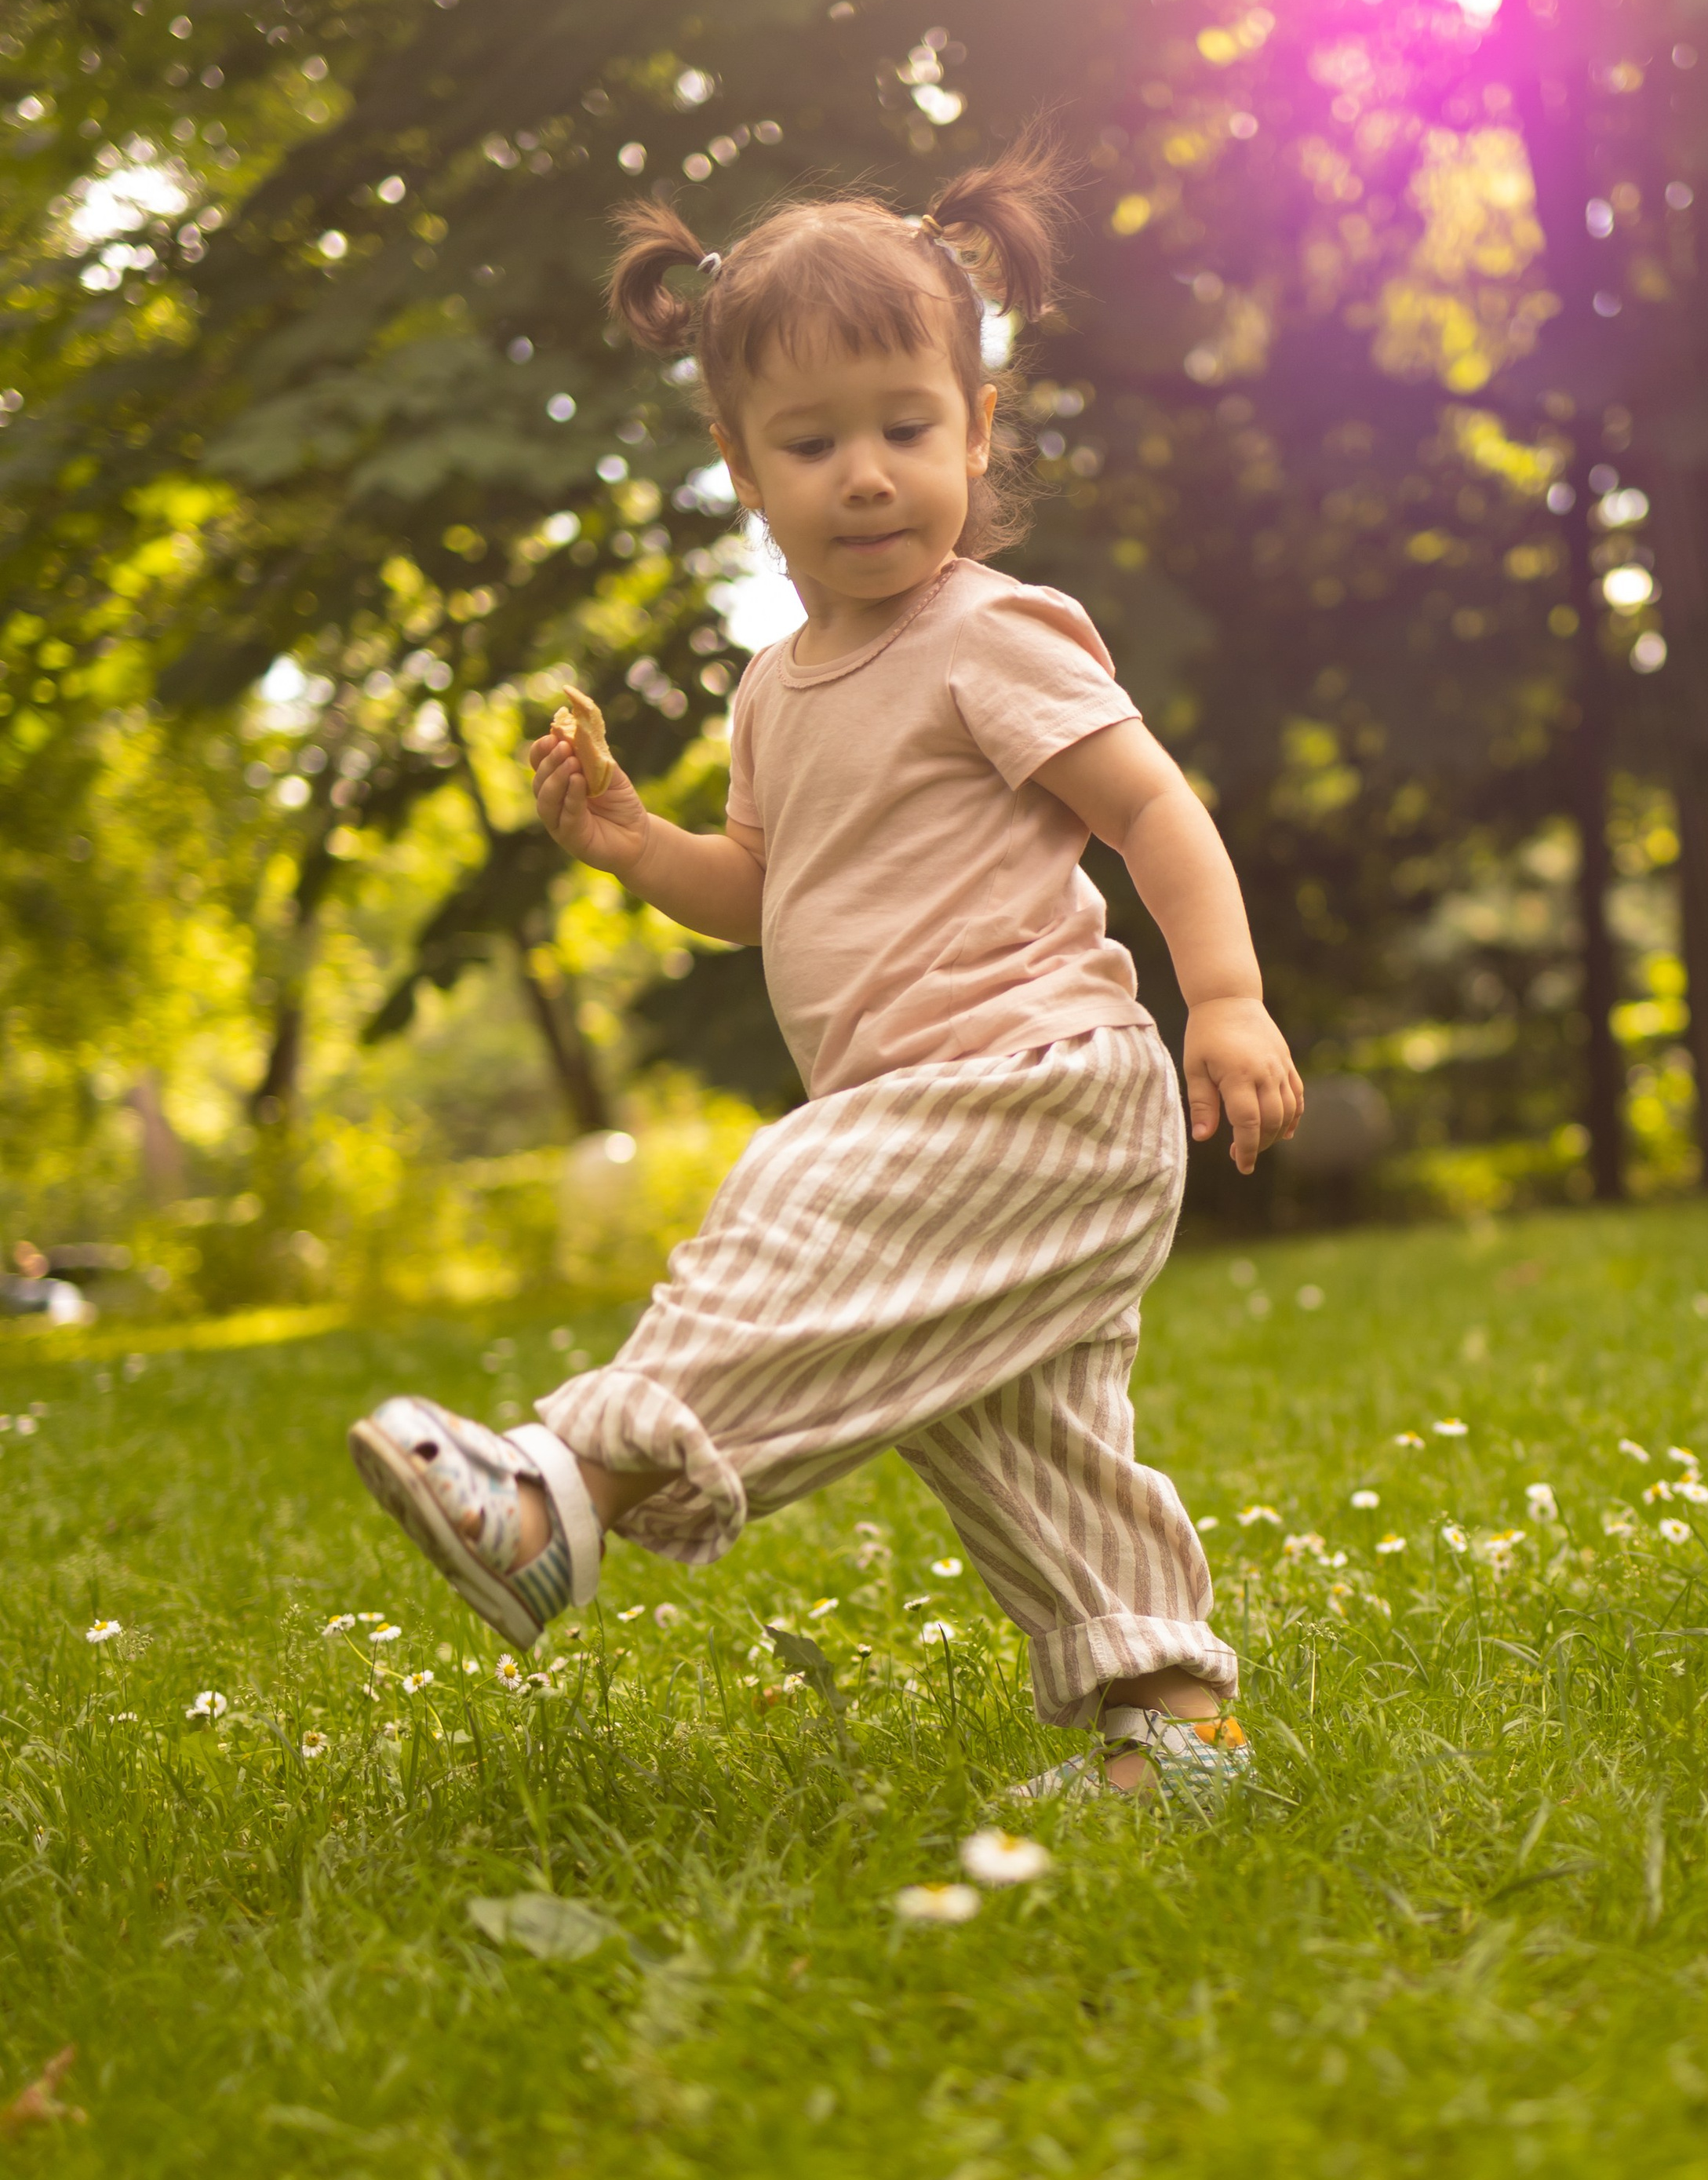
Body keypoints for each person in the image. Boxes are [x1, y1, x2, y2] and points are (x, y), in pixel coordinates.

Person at [349, 137, 1302, 1796]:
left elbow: (1148, 807)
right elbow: (766, 892)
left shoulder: (986, 633)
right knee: (1016, 1437)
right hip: (941, 1115)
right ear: (744, 470)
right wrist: (639, 849)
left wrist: (1221, 998)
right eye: (813, 442)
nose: (866, 475)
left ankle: (563, 1488)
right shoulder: (772, 688)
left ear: (975, 431)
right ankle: (1174, 1726)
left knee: (794, 1188)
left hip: (1037, 1091)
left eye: (905, 428)